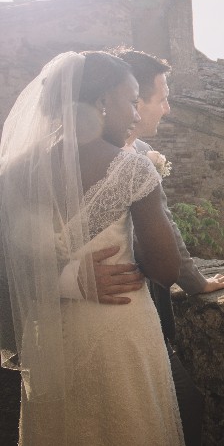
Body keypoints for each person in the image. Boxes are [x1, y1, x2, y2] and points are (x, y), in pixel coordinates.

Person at [0, 51, 185, 444]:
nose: (137, 115)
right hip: (117, 332)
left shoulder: (15, 171)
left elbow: (8, 264)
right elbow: (166, 270)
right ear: (101, 103)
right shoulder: (132, 167)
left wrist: (65, 279)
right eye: (131, 101)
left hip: (51, 341)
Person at [118, 48, 224, 445]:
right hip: (130, 303)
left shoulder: (84, 156)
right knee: (180, 404)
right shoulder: (133, 161)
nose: (167, 109)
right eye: (162, 97)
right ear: (132, 100)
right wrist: (195, 282)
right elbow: (163, 235)